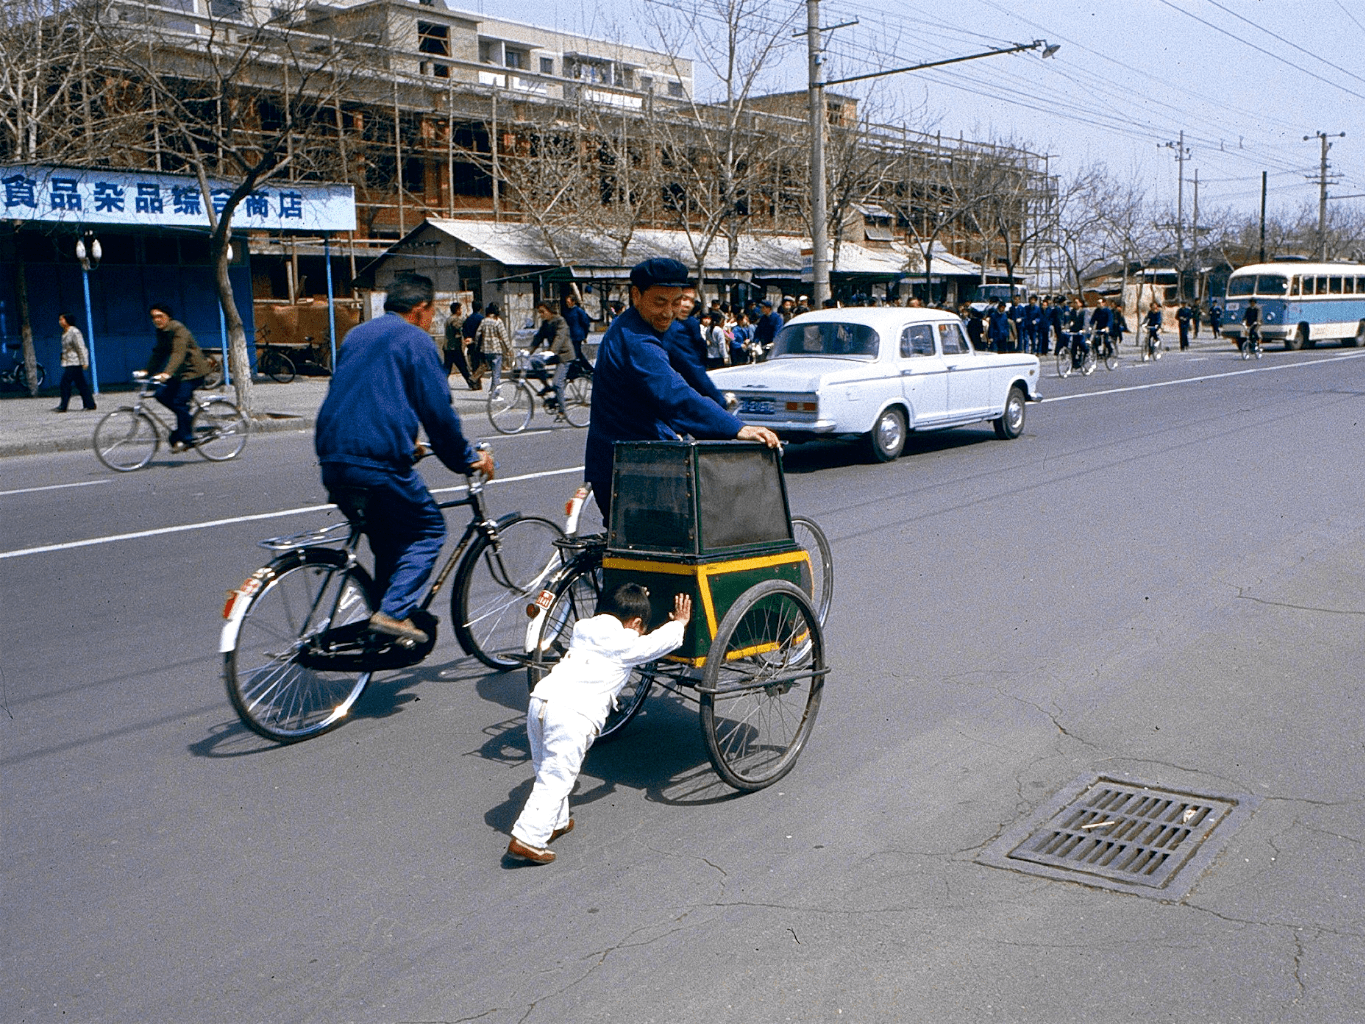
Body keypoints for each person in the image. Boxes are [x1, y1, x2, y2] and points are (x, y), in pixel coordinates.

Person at [315, 273, 495, 645]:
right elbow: (438, 415)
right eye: (432, 312)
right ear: (420, 310)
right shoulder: (415, 339)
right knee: (427, 529)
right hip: (377, 462)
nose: (432, 320)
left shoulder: (357, 335)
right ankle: (392, 613)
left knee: (389, 539)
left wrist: (404, 439)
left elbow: (361, 394)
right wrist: (467, 459)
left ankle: (384, 627)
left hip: (333, 458)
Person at [584, 257, 779, 523]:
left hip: (631, 459)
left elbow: (688, 373)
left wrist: (717, 407)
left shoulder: (639, 325)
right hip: (633, 467)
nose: (668, 312)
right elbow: (674, 393)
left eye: (675, 303)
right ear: (636, 295)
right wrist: (736, 428)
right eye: (659, 302)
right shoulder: (636, 340)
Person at [507, 585, 692, 864]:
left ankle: (554, 822)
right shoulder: (626, 645)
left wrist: (634, 601)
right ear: (636, 623)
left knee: (546, 767)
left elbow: (613, 622)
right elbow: (658, 643)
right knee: (557, 778)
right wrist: (679, 623)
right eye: (640, 627)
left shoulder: (583, 629)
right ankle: (529, 839)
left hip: (541, 701)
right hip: (572, 714)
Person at [144, 303, 212, 452]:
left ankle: (187, 437)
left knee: (179, 402)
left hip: (193, 372)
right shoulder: (162, 332)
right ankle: (184, 420)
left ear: (168, 316)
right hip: (180, 373)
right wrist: (147, 371)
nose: (157, 320)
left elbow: (178, 353)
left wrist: (166, 373)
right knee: (160, 395)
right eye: (153, 317)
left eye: (160, 316)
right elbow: (159, 353)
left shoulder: (178, 329)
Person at [529, 301, 573, 408]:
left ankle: (562, 411)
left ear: (550, 311)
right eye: (539, 312)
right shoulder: (545, 324)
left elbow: (559, 337)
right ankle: (546, 386)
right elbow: (538, 338)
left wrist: (552, 350)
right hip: (553, 355)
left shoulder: (560, 321)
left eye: (543, 312)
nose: (541, 315)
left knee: (557, 383)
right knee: (535, 361)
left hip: (564, 355)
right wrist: (528, 351)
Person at [54, 312, 96, 412]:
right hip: (68, 361)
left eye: (62, 319)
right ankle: (90, 404)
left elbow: (80, 347)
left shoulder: (74, 332)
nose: (60, 321)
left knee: (65, 383)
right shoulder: (65, 332)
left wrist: (84, 361)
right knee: (81, 384)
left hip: (74, 362)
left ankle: (63, 406)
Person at [475, 303, 513, 390]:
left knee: (491, 370)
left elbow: (478, 334)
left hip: (486, 350)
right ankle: (494, 393)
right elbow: (504, 336)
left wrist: (478, 344)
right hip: (496, 350)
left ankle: (492, 390)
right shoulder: (498, 321)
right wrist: (509, 349)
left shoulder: (484, 321)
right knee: (496, 373)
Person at [443, 301, 478, 390]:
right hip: (453, 347)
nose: (461, 310)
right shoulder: (455, 319)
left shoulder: (448, 319)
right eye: (460, 309)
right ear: (457, 310)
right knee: (463, 367)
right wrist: (466, 321)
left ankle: (441, 384)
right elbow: (458, 327)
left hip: (448, 347)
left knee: (447, 367)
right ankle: (472, 383)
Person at [562, 293, 593, 365]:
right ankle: (586, 367)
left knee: (576, 352)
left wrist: (585, 335)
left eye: (569, 302)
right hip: (570, 335)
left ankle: (583, 367)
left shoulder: (579, 311)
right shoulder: (567, 311)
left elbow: (585, 323)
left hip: (577, 335)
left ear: (573, 302)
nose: (567, 304)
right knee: (576, 352)